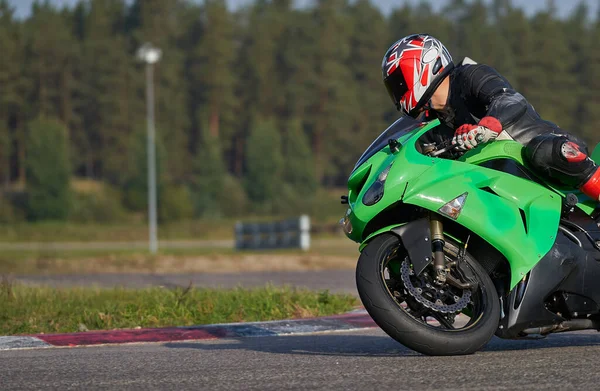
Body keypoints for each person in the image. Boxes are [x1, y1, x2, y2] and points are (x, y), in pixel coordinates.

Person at [381, 33, 600, 201]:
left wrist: (486, 127)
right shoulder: (432, 125)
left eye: (399, 82)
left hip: (549, 154)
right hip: (507, 187)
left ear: (424, 65)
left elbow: (511, 100)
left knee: (543, 152)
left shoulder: (471, 75)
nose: (398, 92)